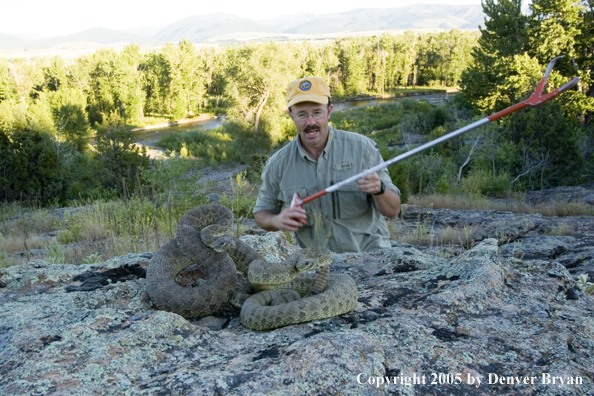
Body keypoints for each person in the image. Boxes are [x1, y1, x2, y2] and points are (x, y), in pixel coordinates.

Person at [253, 77, 401, 253]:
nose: (310, 122)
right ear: (291, 115)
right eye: (302, 114)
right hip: (316, 265)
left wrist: (379, 189)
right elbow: (261, 214)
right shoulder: (277, 164)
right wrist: (276, 221)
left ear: (329, 111)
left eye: (317, 112)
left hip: (369, 259)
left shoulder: (362, 148)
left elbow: (393, 210)